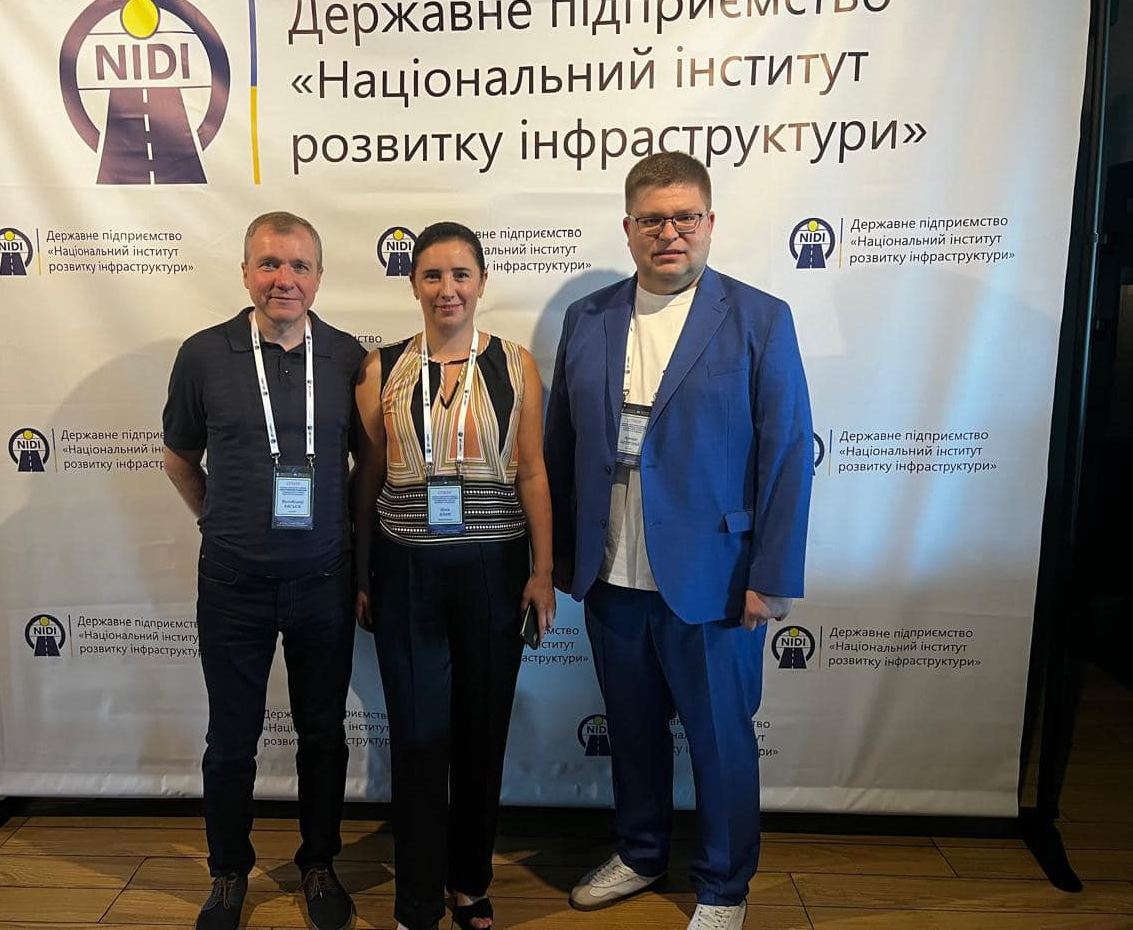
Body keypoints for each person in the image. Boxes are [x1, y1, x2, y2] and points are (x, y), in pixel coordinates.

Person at [544, 152, 813, 930]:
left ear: (710, 223)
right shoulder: (587, 318)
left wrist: (771, 576)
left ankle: (724, 887)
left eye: (685, 217)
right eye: (653, 219)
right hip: (612, 575)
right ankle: (639, 852)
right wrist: (559, 559)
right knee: (631, 733)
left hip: (716, 580)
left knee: (721, 741)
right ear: (629, 228)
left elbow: (787, 453)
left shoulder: (760, 318)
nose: (670, 233)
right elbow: (562, 446)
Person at [163, 211, 366, 930]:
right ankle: (227, 873)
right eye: (270, 264)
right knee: (231, 740)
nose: (285, 279)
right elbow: (178, 456)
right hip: (233, 585)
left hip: (324, 582)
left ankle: (318, 863)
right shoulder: (203, 354)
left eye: (299, 265)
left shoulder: (347, 358)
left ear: (319, 276)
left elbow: (367, 466)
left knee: (323, 734)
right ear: (246, 271)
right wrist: (219, 521)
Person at [353, 221, 556, 930]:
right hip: (406, 570)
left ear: (481, 282)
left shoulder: (515, 365)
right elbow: (368, 477)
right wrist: (361, 571)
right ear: (413, 283)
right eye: (433, 275)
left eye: (460, 274)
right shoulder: (380, 369)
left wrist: (542, 571)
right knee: (416, 739)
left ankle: (469, 881)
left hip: (494, 572)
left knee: (481, 733)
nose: (447, 289)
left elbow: (533, 471)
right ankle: (416, 899)